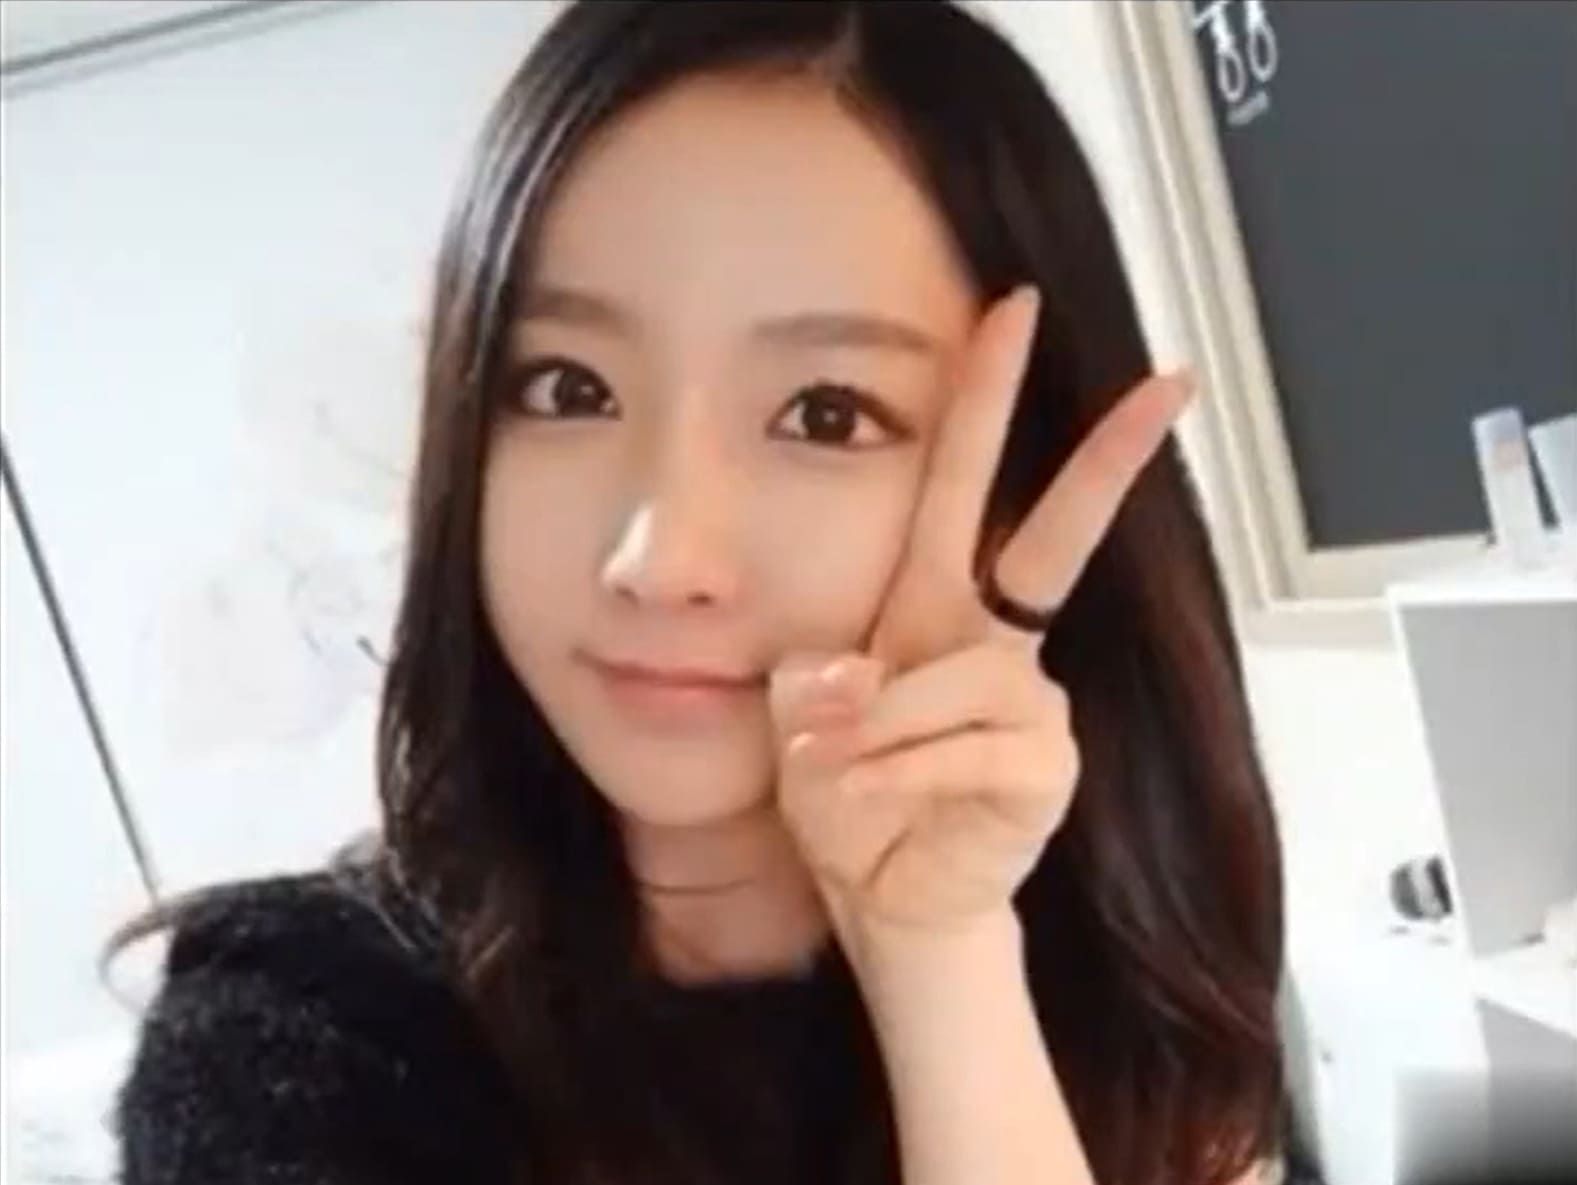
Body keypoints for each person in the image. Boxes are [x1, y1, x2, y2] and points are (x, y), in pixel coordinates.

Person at [106, 2, 1286, 1184]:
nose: (656, 558)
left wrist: (940, 953)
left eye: (825, 414)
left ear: (1014, 491)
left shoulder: (1132, 993)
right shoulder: (297, 1050)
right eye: (566, 389)